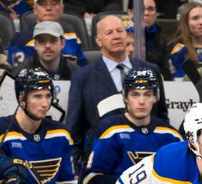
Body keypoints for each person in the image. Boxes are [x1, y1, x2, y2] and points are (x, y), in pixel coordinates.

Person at [66, 15, 168, 169]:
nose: (116, 36)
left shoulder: (150, 70)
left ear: (126, 35)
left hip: (148, 161)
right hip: (103, 165)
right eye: (109, 33)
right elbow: (75, 130)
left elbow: (161, 116)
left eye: (120, 31)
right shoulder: (83, 77)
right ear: (98, 41)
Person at [83, 68, 181, 184]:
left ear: (155, 97)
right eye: (135, 94)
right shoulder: (109, 132)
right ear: (125, 97)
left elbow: (185, 178)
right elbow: (90, 180)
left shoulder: (171, 135)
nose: (141, 101)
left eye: (147, 94)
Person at [0, 68, 76, 184]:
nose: (45, 103)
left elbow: (66, 183)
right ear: (21, 99)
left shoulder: (61, 134)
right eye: (37, 96)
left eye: (48, 96)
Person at [7, 0, 87, 68]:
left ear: (62, 8)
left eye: (54, 3)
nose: (48, 8)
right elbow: (18, 75)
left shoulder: (72, 37)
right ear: (35, 9)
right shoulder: (21, 40)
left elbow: (83, 70)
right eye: (43, 4)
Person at [12, 21, 79, 81]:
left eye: (53, 40)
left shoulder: (75, 72)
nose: (47, 46)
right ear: (35, 45)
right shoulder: (21, 72)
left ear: (62, 43)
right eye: (42, 41)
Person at [168, 2, 202, 82]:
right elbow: (178, 80)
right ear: (186, 23)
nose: (201, 22)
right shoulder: (177, 48)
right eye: (195, 18)